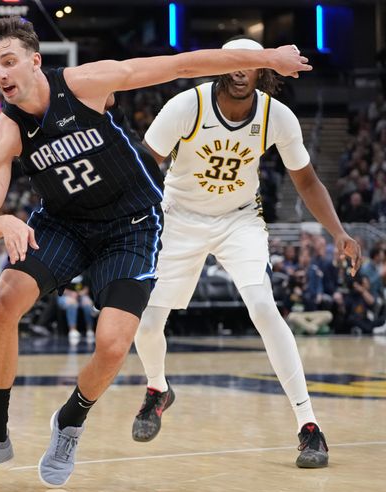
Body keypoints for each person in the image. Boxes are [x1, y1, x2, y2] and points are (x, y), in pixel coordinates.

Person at [0, 16, 312, 488]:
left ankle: (71, 422)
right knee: (2, 306)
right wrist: (6, 220)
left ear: (35, 62)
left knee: (114, 343)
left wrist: (266, 58)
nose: (1, 73)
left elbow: (179, 64)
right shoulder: (6, 131)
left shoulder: (83, 85)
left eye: (9, 61)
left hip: (131, 225)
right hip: (64, 226)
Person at [131, 37, 362, 469]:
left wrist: (338, 232)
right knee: (147, 320)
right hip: (180, 217)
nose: (240, 70)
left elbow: (308, 181)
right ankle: (158, 388)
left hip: (240, 219)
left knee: (263, 307)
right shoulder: (187, 106)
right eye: (233, 62)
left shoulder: (278, 117)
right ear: (222, 65)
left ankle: (308, 426)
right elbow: (145, 167)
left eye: (248, 64)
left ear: (260, 70)